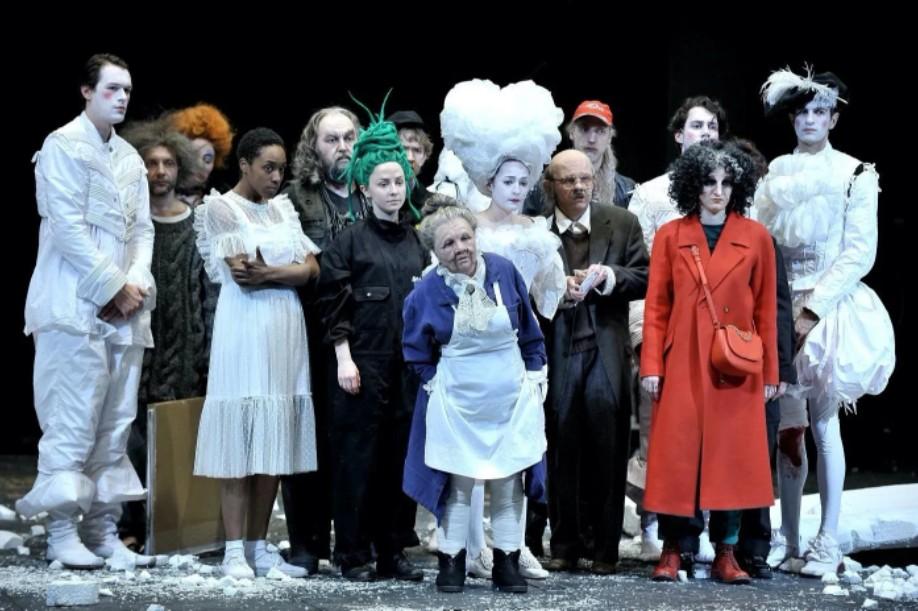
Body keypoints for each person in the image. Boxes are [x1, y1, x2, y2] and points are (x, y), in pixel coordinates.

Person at [755, 67, 895, 577]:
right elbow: (765, 242)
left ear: (834, 118)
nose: (810, 120)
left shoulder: (855, 173)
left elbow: (859, 252)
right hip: (781, 305)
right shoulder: (776, 171)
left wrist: (813, 310)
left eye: (820, 111)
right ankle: (789, 537)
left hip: (827, 307)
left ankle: (827, 539)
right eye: (802, 112)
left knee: (824, 423)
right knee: (787, 430)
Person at [19, 53, 155, 570]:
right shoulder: (61, 146)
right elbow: (67, 227)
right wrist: (112, 286)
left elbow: (142, 231)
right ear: (86, 91)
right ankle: (61, 533)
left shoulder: (130, 158)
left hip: (124, 312)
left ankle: (101, 531)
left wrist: (134, 284)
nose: (121, 98)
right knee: (71, 418)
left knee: (114, 424)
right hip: (71, 305)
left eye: (127, 90)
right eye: (111, 89)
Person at [438, 78, 565, 578]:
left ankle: (515, 543)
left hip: (518, 350)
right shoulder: (470, 227)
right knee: (471, 451)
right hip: (472, 349)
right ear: (490, 182)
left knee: (518, 446)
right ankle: (472, 547)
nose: (516, 190)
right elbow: (443, 283)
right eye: (507, 181)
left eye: (523, 182)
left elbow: (549, 296)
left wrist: (570, 286)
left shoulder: (537, 233)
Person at [641, 140, 778, 584]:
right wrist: (651, 365)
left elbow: (766, 310)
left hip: (735, 365)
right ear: (692, 186)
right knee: (678, 459)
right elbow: (656, 307)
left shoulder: (756, 237)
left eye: (726, 182)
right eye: (709, 181)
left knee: (731, 460)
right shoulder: (671, 235)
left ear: (738, 187)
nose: (718, 191)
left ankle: (727, 552)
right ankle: (673, 549)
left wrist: (771, 373)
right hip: (682, 360)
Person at [193, 127, 320, 579]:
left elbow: (311, 268)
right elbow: (243, 273)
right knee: (240, 438)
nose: (276, 177)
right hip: (245, 329)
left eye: (281, 169)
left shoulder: (283, 208)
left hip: (284, 328)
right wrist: (284, 273)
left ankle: (257, 545)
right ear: (245, 165)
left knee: (273, 438)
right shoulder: (220, 208)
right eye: (268, 167)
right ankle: (232, 550)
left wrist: (274, 273)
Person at [403, 205, 548, 593]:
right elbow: (415, 352)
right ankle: (452, 563)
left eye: (465, 237)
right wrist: (436, 384)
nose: (460, 248)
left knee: (508, 483)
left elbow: (530, 332)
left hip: (509, 398)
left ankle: (507, 564)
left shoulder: (504, 271)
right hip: (459, 402)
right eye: (448, 244)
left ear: (475, 236)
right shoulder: (425, 292)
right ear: (435, 252)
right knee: (458, 485)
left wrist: (535, 375)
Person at [318, 101, 429, 582]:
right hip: (362, 367)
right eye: (383, 183)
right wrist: (344, 359)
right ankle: (352, 553)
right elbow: (333, 304)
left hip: (406, 370)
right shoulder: (348, 243)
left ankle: (393, 550)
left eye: (398, 182)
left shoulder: (418, 243)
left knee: (399, 459)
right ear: (365, 188)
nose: (393, 190)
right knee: (357, 460)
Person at [170, 103, 234, 207]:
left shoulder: (222, 200)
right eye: (193, 156)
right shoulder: (156, 193)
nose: (200, 165)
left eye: (207, 159)